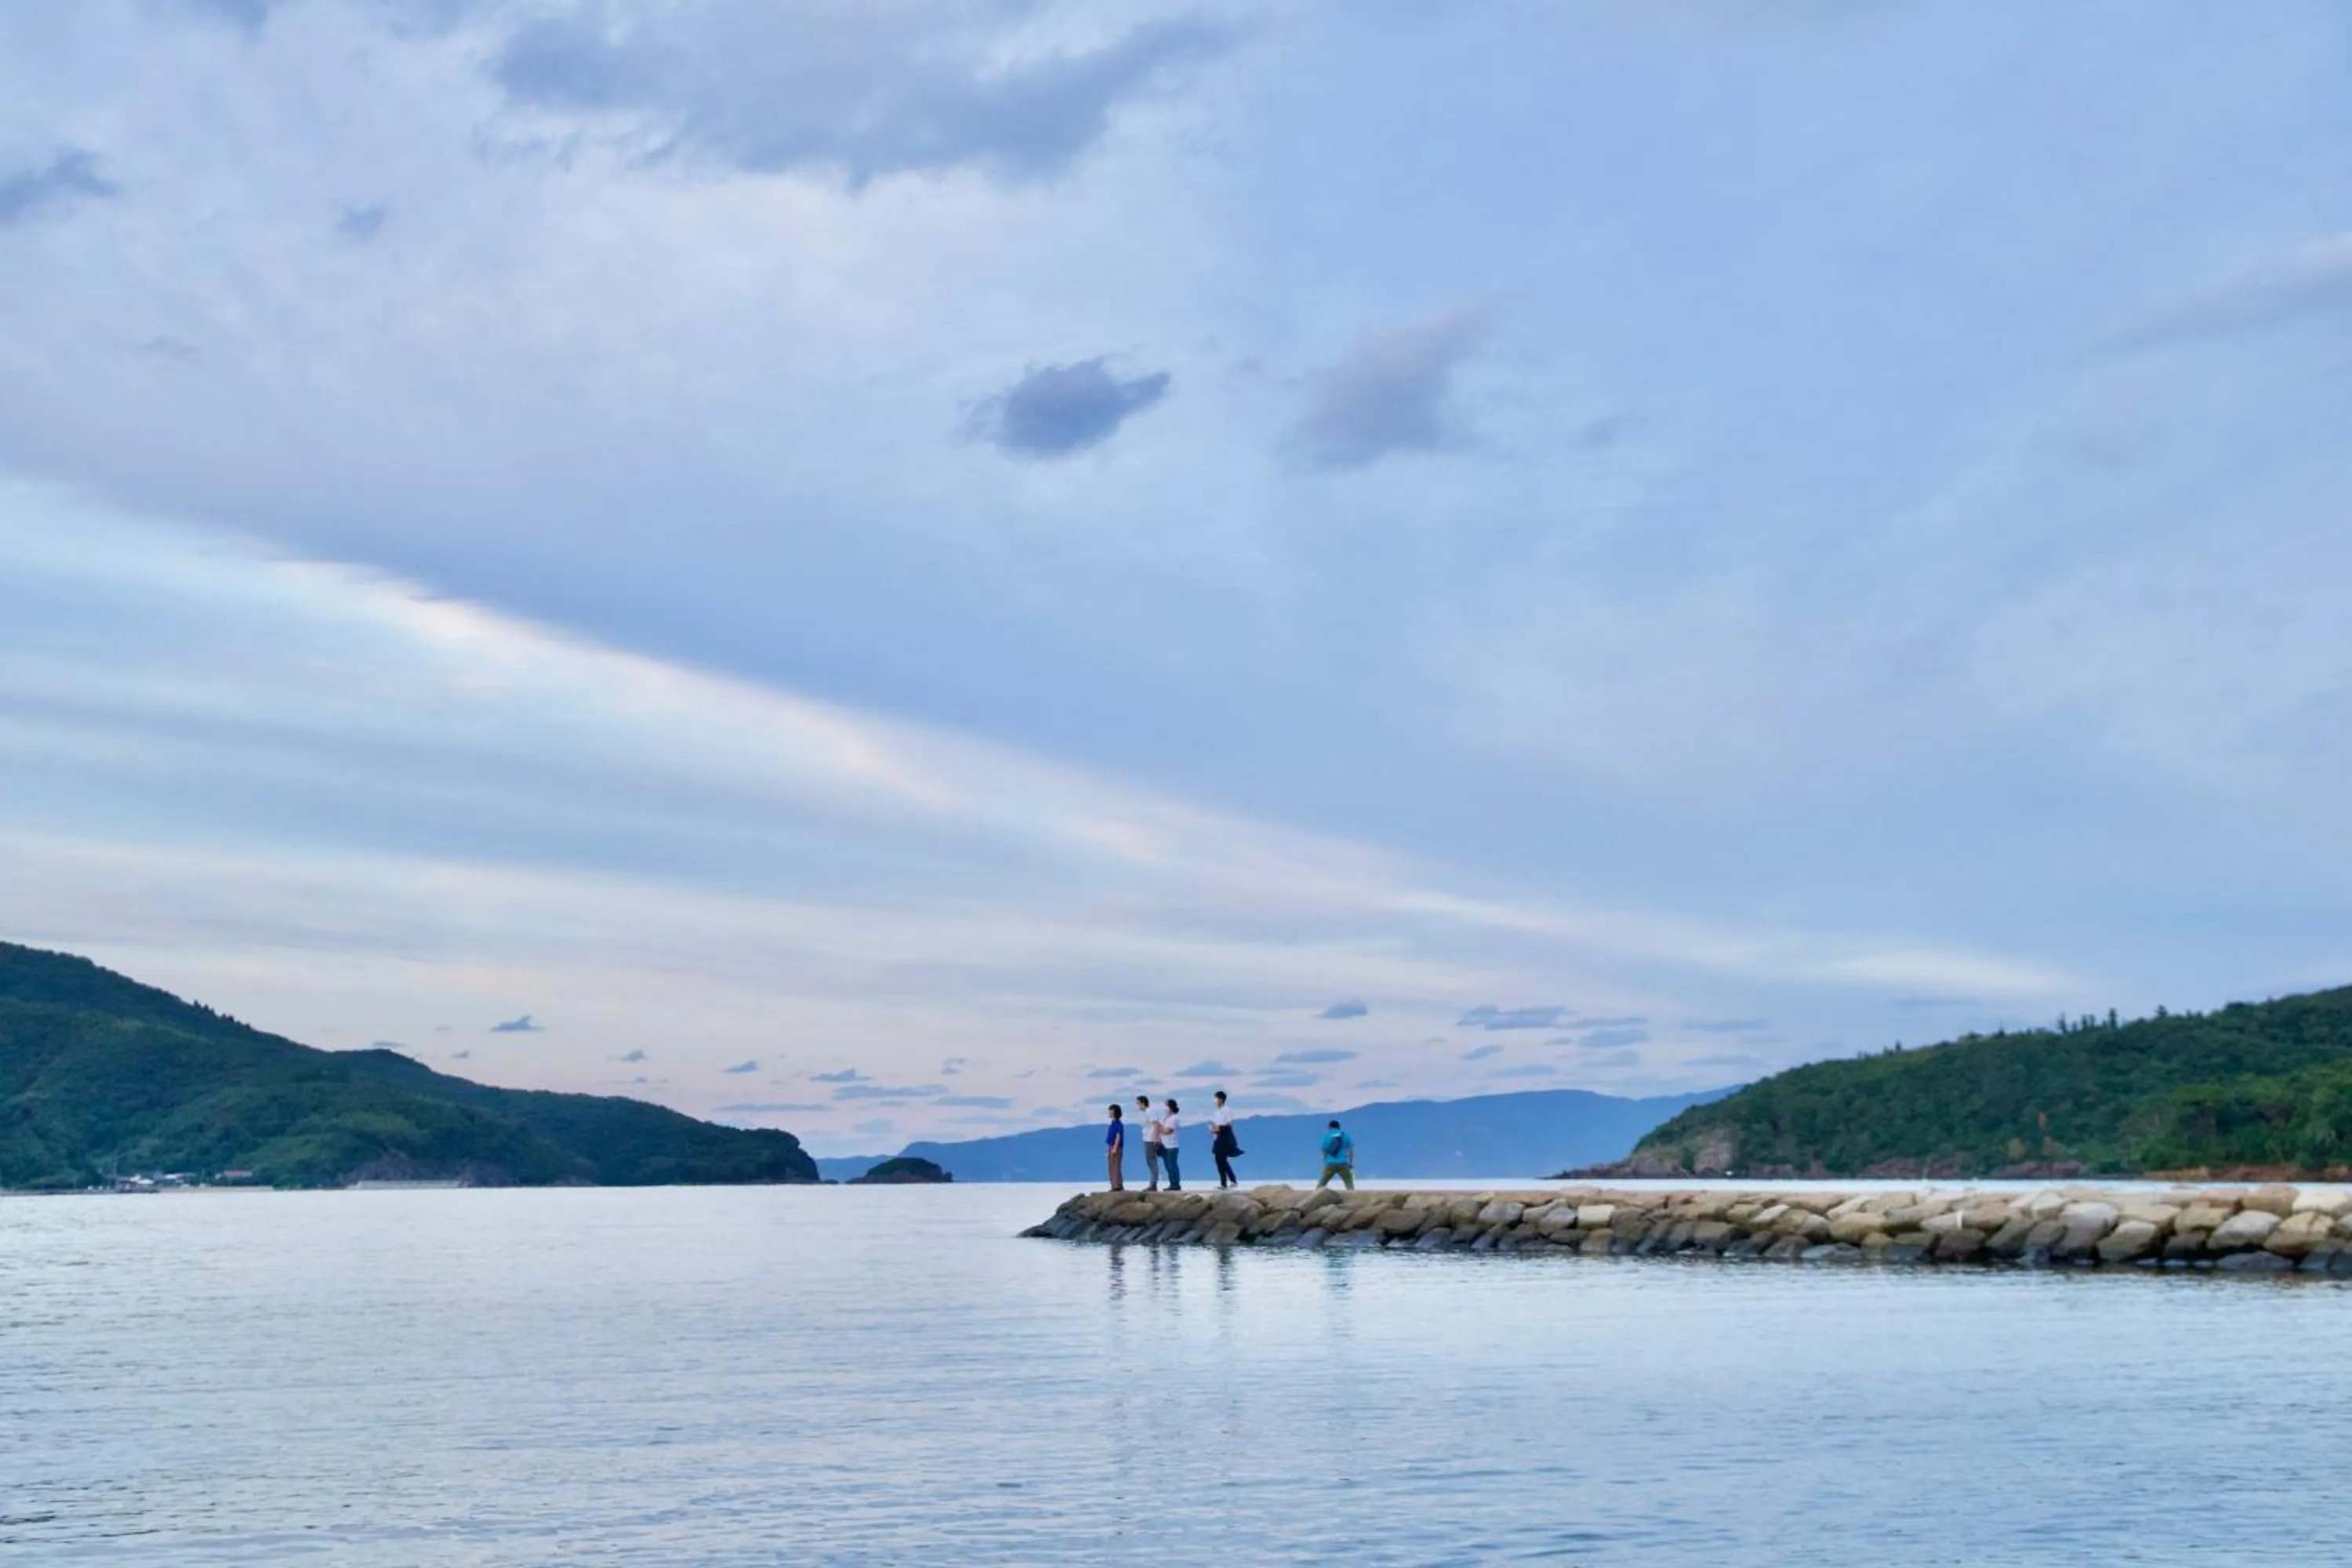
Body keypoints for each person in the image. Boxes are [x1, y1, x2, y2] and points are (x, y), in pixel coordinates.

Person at [1209, 1090, 1243, 1188]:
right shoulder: (1216, 1112)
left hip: (1224, 1137)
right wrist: (1213, 1128)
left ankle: (1230, 1181)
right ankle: (1225, 1183)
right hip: (1216, 1137)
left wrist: (1219, 1128)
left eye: (1216, 1099)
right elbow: (1213, 1124)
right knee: (1219, 1160)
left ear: (1221, 1099)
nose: (1215, 1101)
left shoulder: (1227, 1110)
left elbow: (1229, 1124)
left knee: (1222, 1159)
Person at [1316, 1119, 1355, 1190]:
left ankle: (1316, 1196)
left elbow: (1324, 1151)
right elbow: (1350, 1151)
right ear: (1339, 1127)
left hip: (1330, 1163)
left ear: (1329, 1127)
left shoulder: (1326, 1136)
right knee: (1349, 1183)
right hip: (1343, 1163)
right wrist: (1350, 1162)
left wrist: (1325, 1161)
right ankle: (1352, 1195)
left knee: (1322, 1183)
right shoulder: (1345, 1135)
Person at [1136, 1094, 1163, 1190]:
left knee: (1152, 1161)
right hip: (1147, 1138)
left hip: (1151, 1139)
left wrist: (1156, 1138)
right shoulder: (1146, 1113)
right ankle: (1152, 1183)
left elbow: (1156, 1125)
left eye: (1138, 1103)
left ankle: (1153, 1184)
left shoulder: (1150, 1112)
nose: (1138, 1106)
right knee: (1150, 1161)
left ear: (1143, 1103)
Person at [1159, 1097, 1183, 1190]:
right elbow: (1163, 1130)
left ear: (1170, 1107)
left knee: (1172, 1166)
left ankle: (1175, 1184)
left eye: (1166, 1106)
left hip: (1172, 1146)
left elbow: (1167, 1131)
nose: (1164, 1108)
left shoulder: (1174, 1118)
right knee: (1168, 1166)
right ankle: (1172, 1183)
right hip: (1165, 1145)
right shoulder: (1166, 1118)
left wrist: (1159, 1128)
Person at [1105, 1103, 1126, 1191]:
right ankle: (1115, 1185)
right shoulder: (1113, 1123)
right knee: (1111, 1167)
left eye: (1110, 1111)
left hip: (1115, 1147)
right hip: (1111, 1147)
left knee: (1115, 1167)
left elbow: (1118, 1136)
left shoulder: (1118, 1124)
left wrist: (1115, 1148)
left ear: (1114, 1112)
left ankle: (1117, 1186)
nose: (1109, 1113)